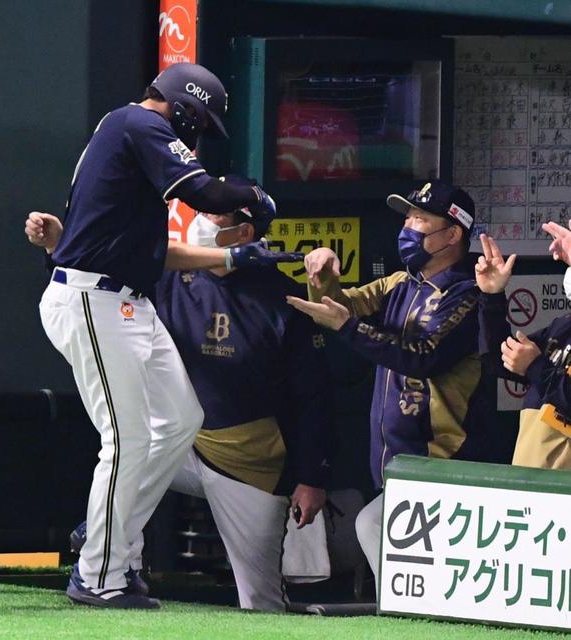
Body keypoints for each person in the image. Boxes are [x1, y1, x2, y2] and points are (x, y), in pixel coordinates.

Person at [35, 61, 300, 609]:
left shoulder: (132, 139)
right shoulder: (138, 122)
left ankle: (111, 536)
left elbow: (155, 253)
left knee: (181, 419)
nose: (195, 133)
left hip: (125, 298)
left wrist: (232, 253)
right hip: (93, 300)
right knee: (127, 438)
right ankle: (100, 572)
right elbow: (204, 193)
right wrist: (251, 200)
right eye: (198, 121)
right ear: (182, 106)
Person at [26, 198, 331, 612]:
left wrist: (312, 477)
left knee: (261, 599)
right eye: (204, 209)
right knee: (127, 451)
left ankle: (108, 542)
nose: (203, 219)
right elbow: (100, 283)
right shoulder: (170, 276)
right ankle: (113, 557)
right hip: (183, 446)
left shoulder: (283, 298)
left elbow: (312, 397)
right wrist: (58, 247)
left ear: (245, 233)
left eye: (217, 214)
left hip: (245, 460)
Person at [287, 180, 500, 596]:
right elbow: (343, 306)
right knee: (389, 547)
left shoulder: (469, 290)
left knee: (381, 536)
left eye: (420, 219)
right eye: (407, 216)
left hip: (444, 462)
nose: (408, 226)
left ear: (453, 233)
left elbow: (422, 355)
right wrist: (325, 277)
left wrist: (346, 327)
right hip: (398, 463)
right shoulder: (400, 282)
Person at [476, 225, 571, 469]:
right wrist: (493, 296)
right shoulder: (563, 327)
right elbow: (502, 360)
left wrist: (537, 367)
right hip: (532, 487)